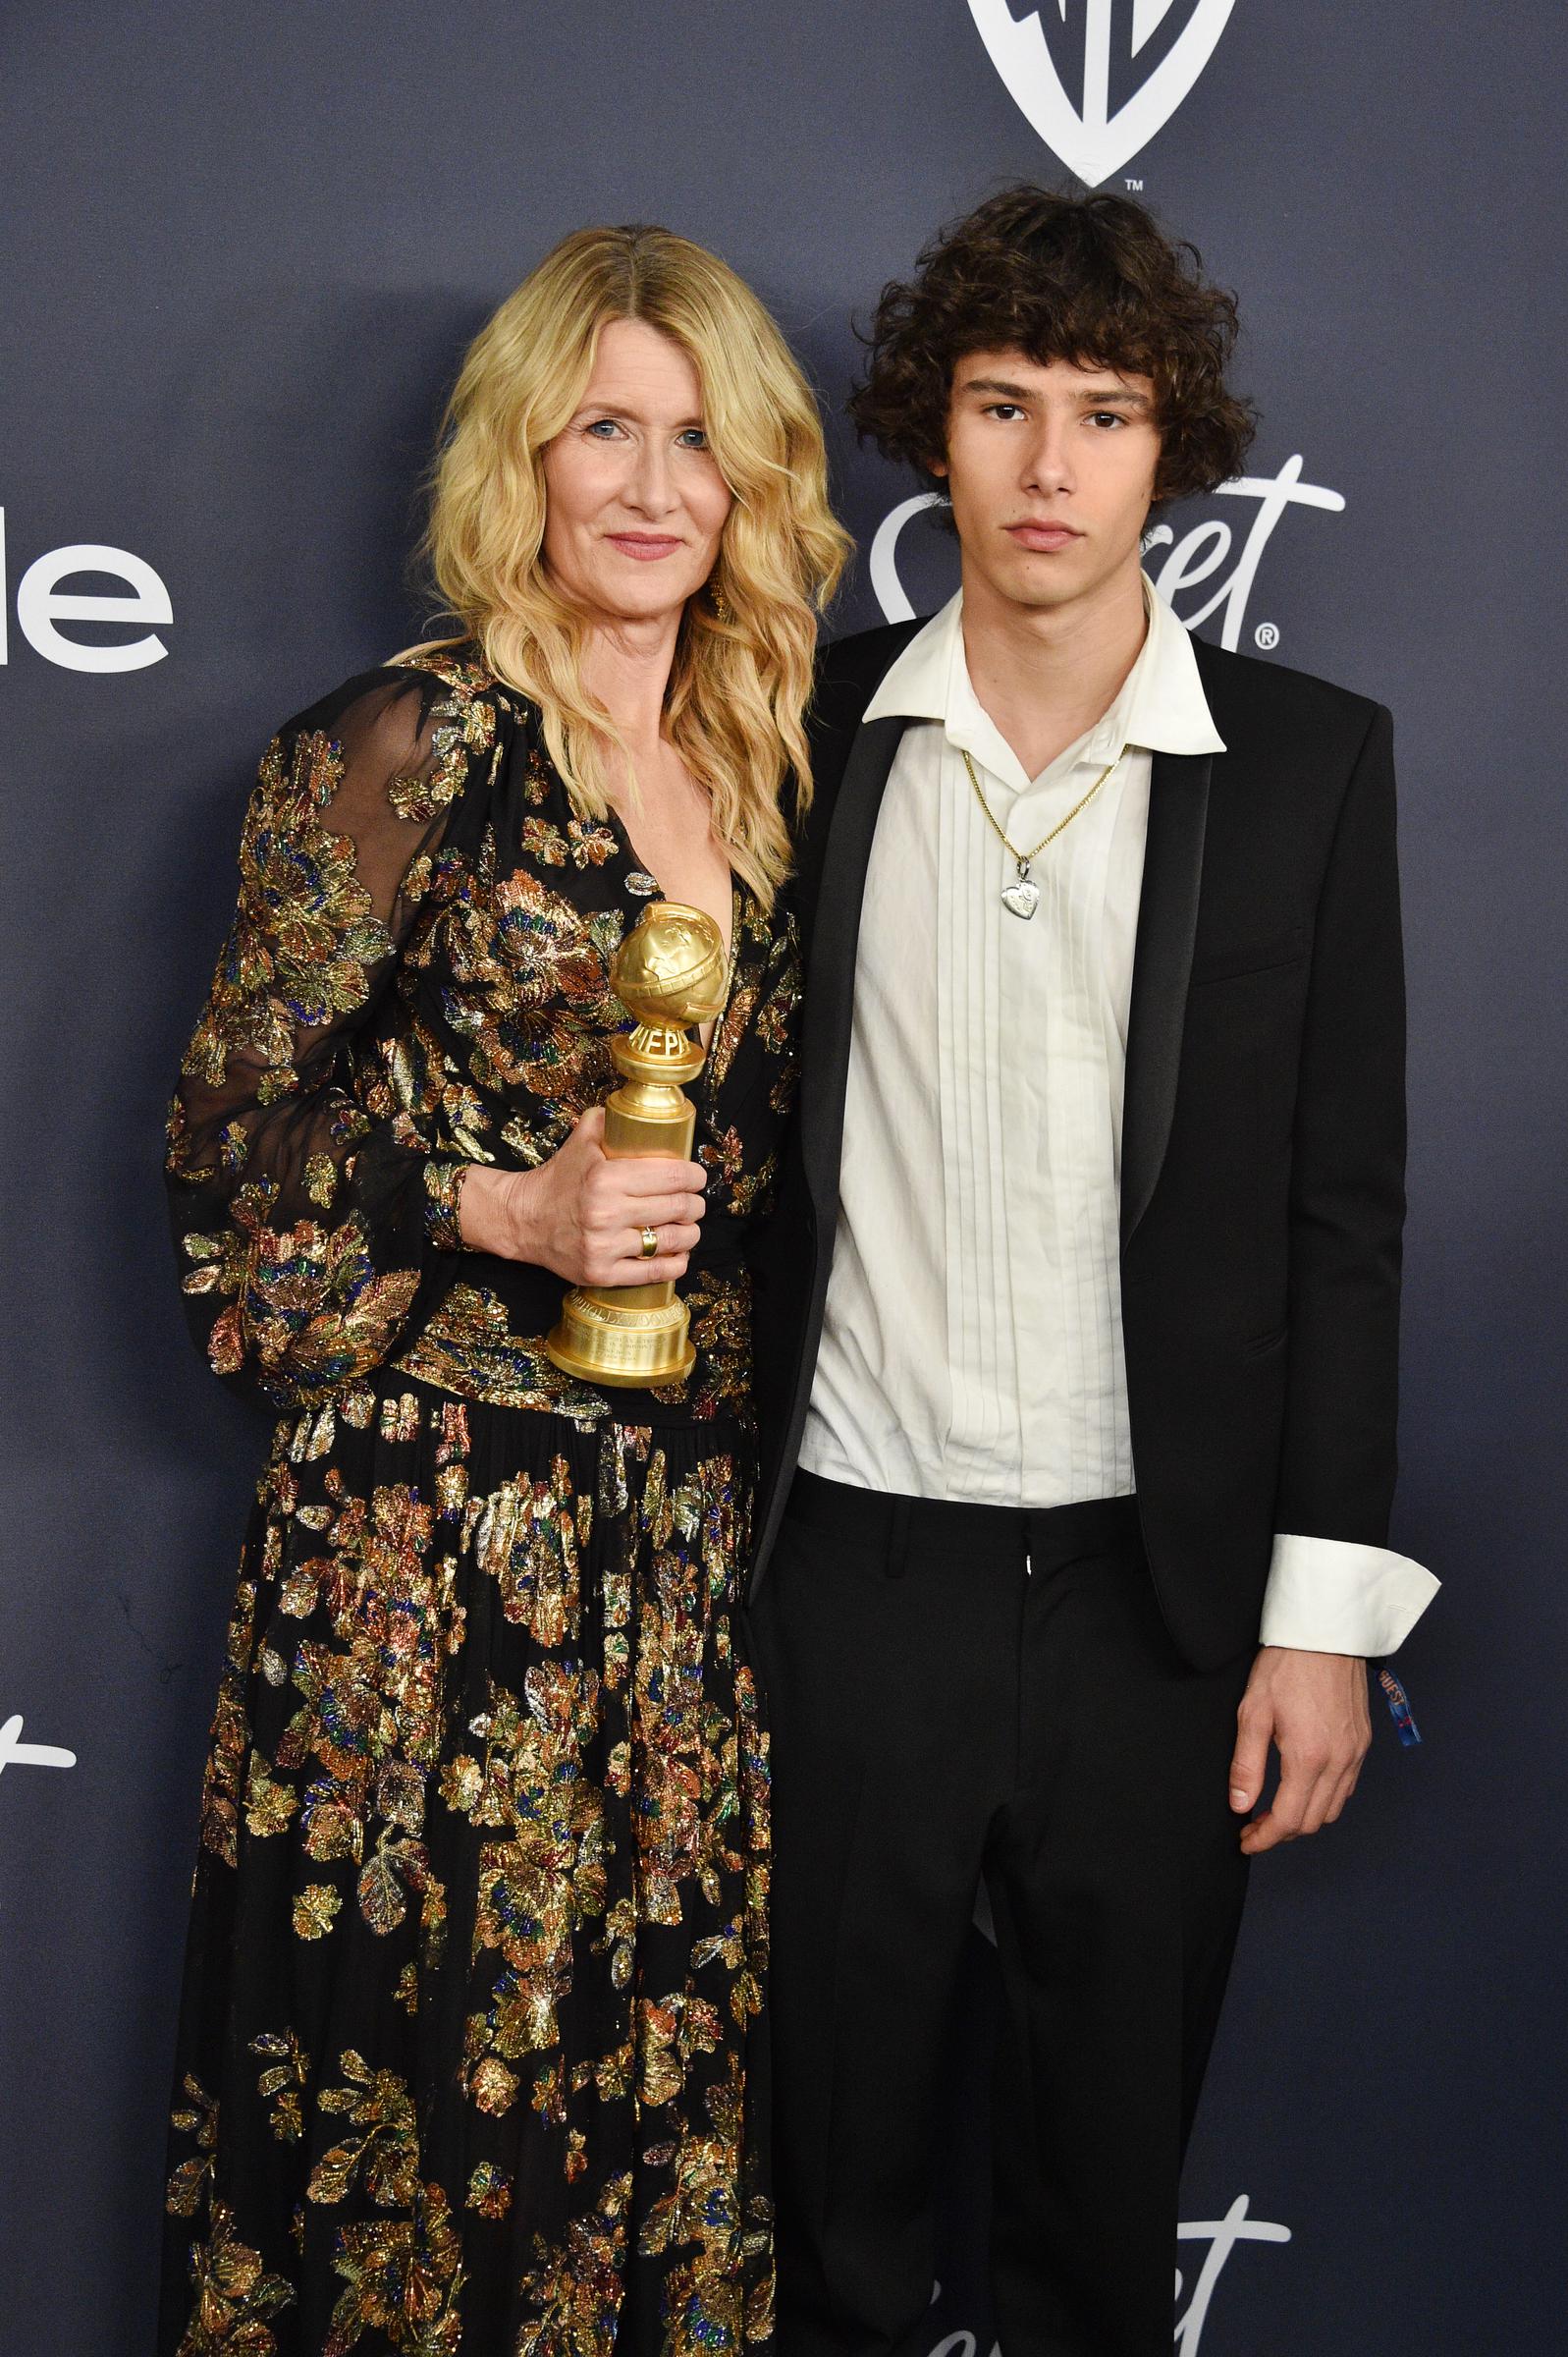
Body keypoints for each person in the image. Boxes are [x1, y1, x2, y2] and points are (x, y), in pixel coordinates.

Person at [746, 187, 1438, 2356]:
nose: (1050, 467)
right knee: (824, 2202)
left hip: (1163, 1601)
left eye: (1106, 411)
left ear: (1172, 449)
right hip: (853, 1574)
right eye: (1001, 404)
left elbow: (1346, 1208)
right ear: (925, 436)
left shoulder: (1313, 766)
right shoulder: (790, 736)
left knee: (1091, 2221)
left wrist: (1316, 1621)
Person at [159, 222, 847, 2357]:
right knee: (430, 2108)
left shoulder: (770, 767)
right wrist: (492, 1209)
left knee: (663, 2103)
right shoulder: (401, 747)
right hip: (427, 1546)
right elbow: (225, 1151)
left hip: (681, 1542)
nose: (652, 487)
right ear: (521, 464)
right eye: (603, 432)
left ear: (754, 486)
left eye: (698, 442)